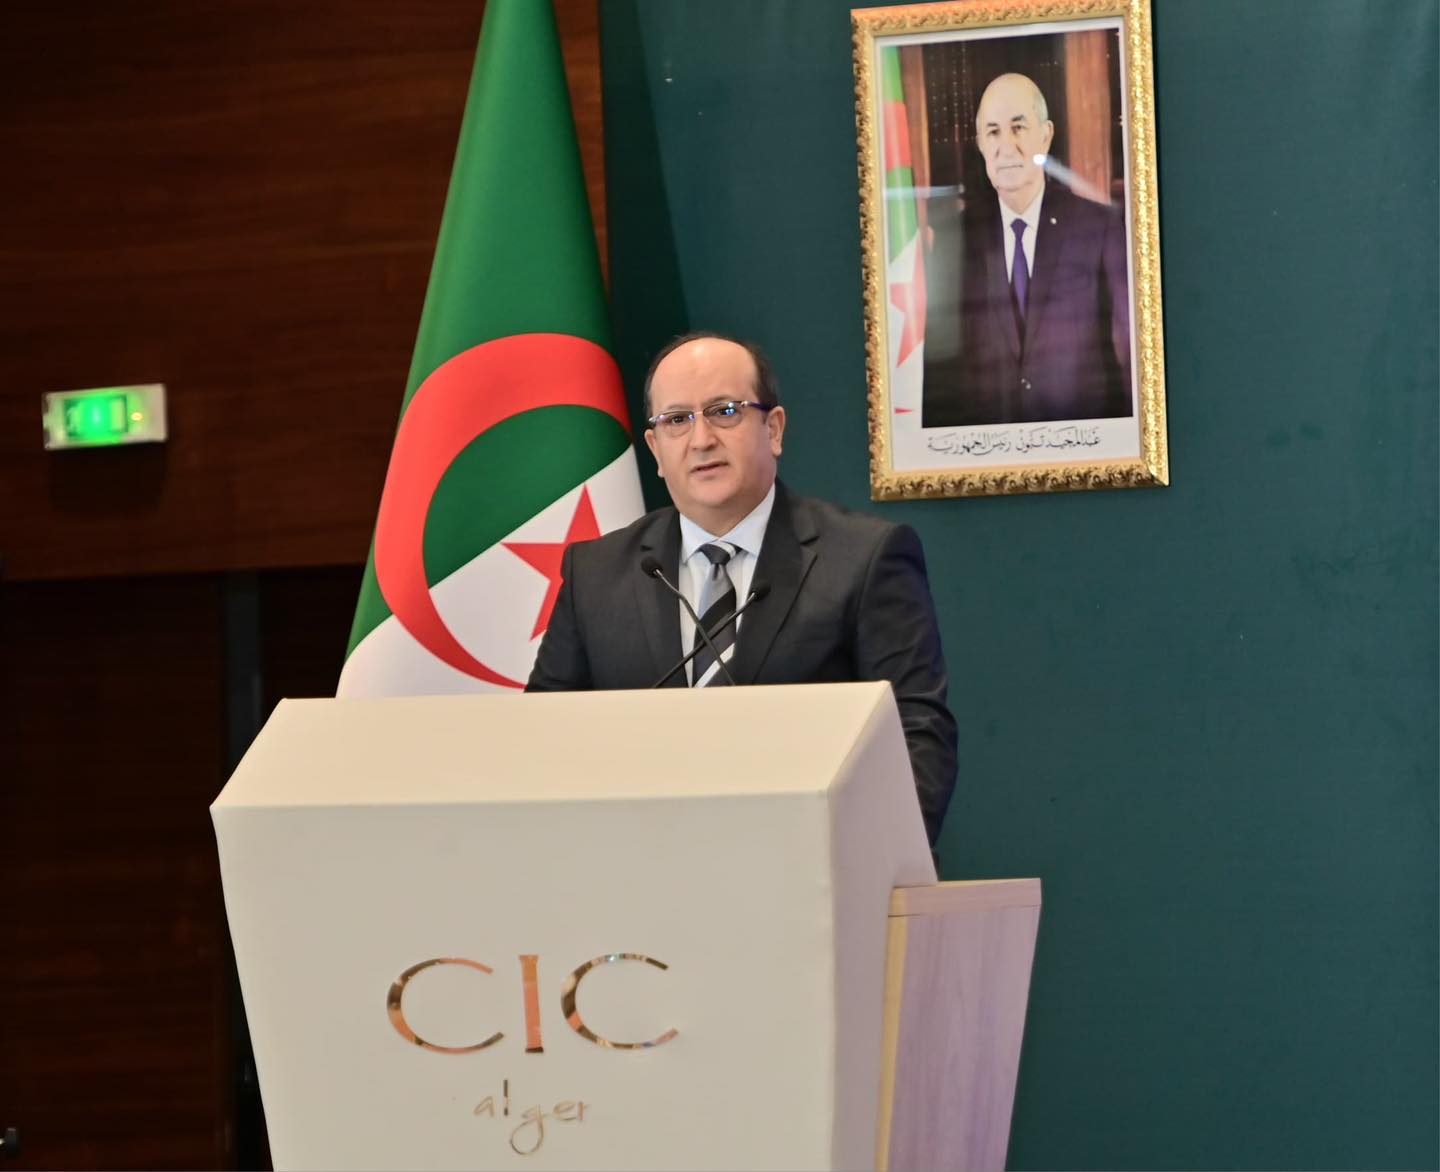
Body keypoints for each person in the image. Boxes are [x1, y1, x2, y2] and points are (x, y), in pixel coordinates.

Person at [527, 332, 957, 844]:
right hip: (632, 866)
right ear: (656, 450)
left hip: (810, 867)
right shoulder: (596, 573)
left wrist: (874, 857)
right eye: (676, 420)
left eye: (724, 411)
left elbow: (914, 733)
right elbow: (542, 739)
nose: (701, 439)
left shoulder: (864, 559)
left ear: (773, 429)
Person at [922, 71, 1132, 428]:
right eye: (993, 132)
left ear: (1045, 136)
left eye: (1018, 127)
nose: (1006, 147)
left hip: (1081, 440)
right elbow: (940, 372)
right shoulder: (957, 236)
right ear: (981, 144)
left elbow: (1128, 358)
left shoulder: (1099, 228)